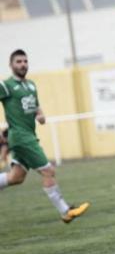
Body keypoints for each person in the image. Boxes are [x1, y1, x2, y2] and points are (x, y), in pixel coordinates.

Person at [0, 49, 89, 223]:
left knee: (16, 177)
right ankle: (65, 211)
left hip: (28, 135)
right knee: (48, 171)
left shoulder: (31, 85)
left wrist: (40, 114)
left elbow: (36, 106)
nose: (22, 64)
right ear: (11, 65)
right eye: (18, 62)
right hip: (20, 137)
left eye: (25, 61)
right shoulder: (7, 86)